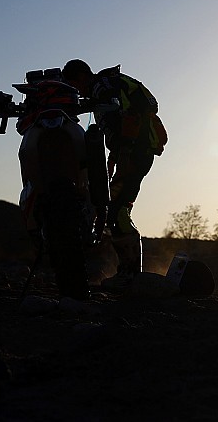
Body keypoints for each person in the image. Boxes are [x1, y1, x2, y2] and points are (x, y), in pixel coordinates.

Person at [62, 59, 168, 289]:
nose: (77, 91)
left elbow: (125, 119)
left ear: (80, 77)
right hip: (134, 152)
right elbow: (120, 124)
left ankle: (130, 274)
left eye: (74, 85)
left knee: (117, 209)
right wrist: (113, 157)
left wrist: (123, 151)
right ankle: (130, 273)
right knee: (117, 207)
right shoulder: (109, 84)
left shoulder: (103, 87)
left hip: (134, 152)